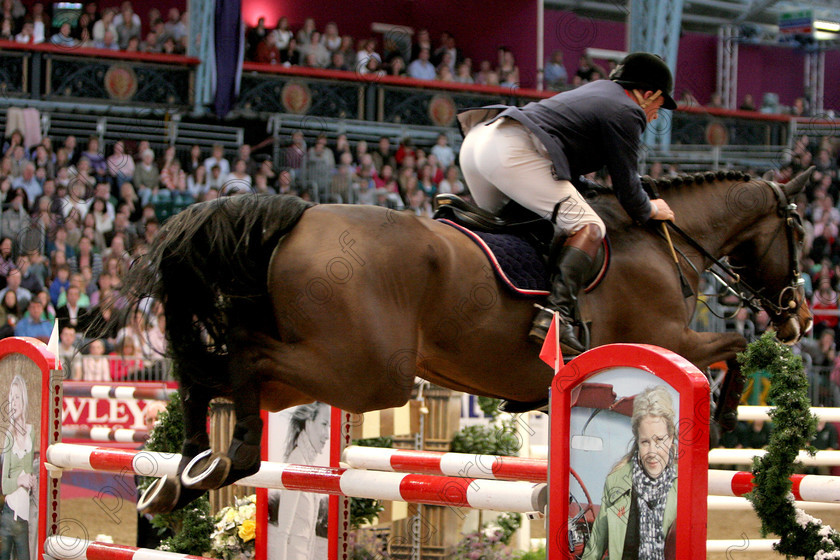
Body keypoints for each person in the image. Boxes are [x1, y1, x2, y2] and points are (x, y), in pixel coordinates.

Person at [457, 52, 677, 354]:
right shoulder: (628, 111)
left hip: (479, 142)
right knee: (589, 226)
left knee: (519, 227)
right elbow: (628, 188)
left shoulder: (598, 92)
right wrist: (652, 208)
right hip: (512, 150)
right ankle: (554, 317)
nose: (655, 115)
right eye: (659, 106)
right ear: (647, 93)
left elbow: (565, 166)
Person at [581, 385, 677, 560]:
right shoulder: (617, 480)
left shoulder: (685, 484)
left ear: (671, 438)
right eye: (645, 442)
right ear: (637, 441)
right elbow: (595, 548)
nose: (652, 451)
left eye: (660, 440)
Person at [275, 402, 330, 560]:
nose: (327, 434)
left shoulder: (306, 462)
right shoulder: (297, 461)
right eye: (324, 424)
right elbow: (283, 532)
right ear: (309, 422)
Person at [0, 374, 36, 560]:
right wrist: (20, 480)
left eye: (17, 397)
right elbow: (4, 486)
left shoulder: (32, 433)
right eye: (10, 397)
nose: (13, 403)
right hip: (8, 514)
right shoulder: (9, 436)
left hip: (23, 517)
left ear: (24, 399)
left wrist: (32, 478)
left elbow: (31, 468)